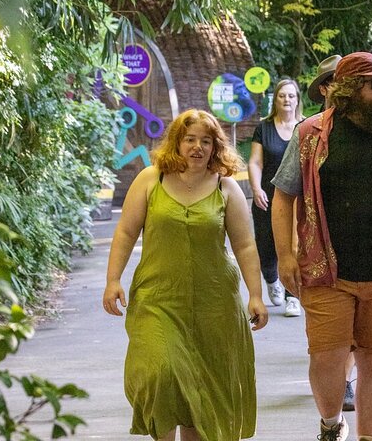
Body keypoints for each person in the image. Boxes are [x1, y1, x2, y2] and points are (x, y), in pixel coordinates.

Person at [272, 52, 372, 441]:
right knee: (327, 358)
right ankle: (331, 424)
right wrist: (284, 256)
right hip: (327, 271)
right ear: (347, 91)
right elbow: (283, 197)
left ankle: (368, 437)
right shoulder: (310, 134)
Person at [103, 109, 268, 441]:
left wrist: (255, 295)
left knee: (201, 390)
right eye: (190, 139)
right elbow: (125, 233)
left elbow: (245, 246)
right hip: (158, 299)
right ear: (176, 144)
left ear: (215, 147)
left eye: (205, 141)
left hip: (214, 304)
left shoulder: (226, 189)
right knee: (160, 374)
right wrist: (113, 280)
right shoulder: (151, 179)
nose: (197, 147)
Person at [307, 54, 357, 412]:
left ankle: (348, 382)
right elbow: (291, 195)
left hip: (366, 257)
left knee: (358, 341)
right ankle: (330, 414)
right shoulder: (308, 133)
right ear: (325, 88)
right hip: (318, 257)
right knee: (326, 348)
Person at [248, 79, 303, 317]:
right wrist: (256, 188)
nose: (287, 100)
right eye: (282, 95)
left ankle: (293, 297)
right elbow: (255, 162)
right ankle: (272, 280)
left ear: (297, 99)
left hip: (297, 198)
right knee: (266, 247)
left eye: (291, 96)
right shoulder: (264, 127)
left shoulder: (306, 126)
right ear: (275, 99)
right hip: (268, 196)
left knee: (296, 246)